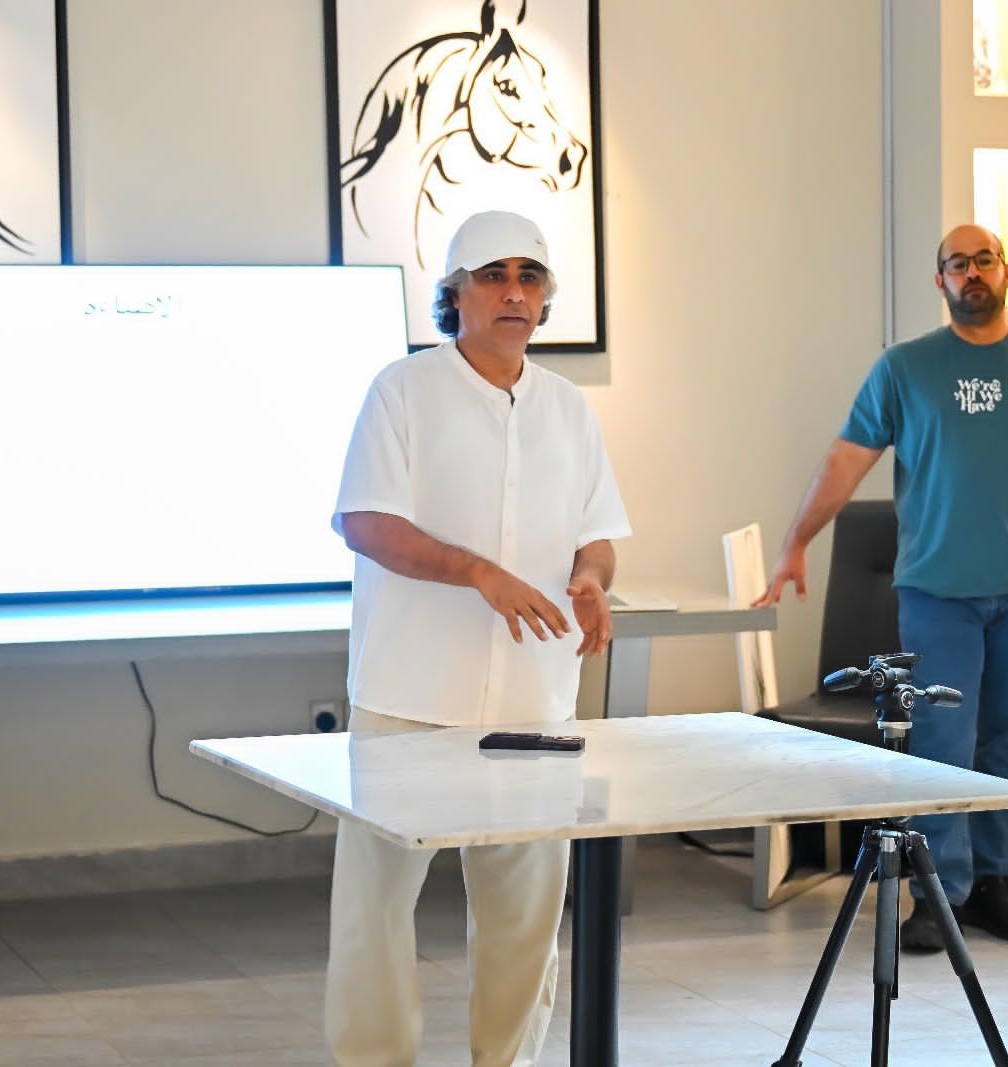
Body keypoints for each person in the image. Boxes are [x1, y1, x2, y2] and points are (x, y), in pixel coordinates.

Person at [754, 224, 1008, 954]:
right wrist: (796, 541)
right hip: (937, 594)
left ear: (1006, 270)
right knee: (942, 743)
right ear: (940, 280)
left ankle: (995, 883)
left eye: (984, 260)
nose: (972, 272)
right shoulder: (906, 368)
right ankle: (937, 894)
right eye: (958, 264)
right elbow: (846, 458)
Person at [325, 210, 630, 1065]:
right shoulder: (401, 391)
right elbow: (364, 522)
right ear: (454, 295)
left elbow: (598, 533)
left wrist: (591, 578)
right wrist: (478, 572)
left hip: (535, 702)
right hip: (409, 696)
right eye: (493, 275)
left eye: (530, 277)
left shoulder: (568, 408)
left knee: (526, 916)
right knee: (374, 911)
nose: (514, 292)